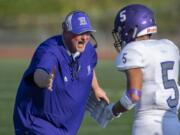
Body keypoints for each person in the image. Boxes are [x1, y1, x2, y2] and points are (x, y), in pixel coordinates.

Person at [13, 10, 109, 135]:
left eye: (87, 33)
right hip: (38, 125)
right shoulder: (50, 51)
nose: (84, 38)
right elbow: (40, 73)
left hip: (66, 128)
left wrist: (96, 88)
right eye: (79, 33)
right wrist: (45, 79)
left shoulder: (88, 49)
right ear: (65, 30)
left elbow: (89, 66)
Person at [101, 4, 180, 135]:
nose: (120, 36)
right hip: (173, 123)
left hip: (147, 125)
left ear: (131, 29)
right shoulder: (169, 46)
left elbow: (133, 95)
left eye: (121, 30)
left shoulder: (134, 49)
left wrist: (113, 111)